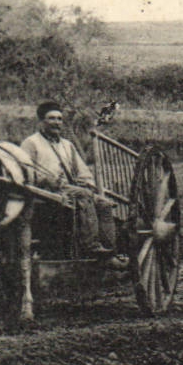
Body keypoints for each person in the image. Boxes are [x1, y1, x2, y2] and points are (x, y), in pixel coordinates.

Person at [21, 100, 127, 267]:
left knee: (104, 204)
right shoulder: (31, 143)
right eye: (51, 118)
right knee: (84, 196)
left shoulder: (66, 144)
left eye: (59, 119)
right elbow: (24, 170)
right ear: (41, 121)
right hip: (45, 193)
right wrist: (45, 180)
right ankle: (91, 246)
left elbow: (83, 170)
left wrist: (86, 183)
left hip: (70, 189)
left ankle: (109, 252)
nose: (56, 122)